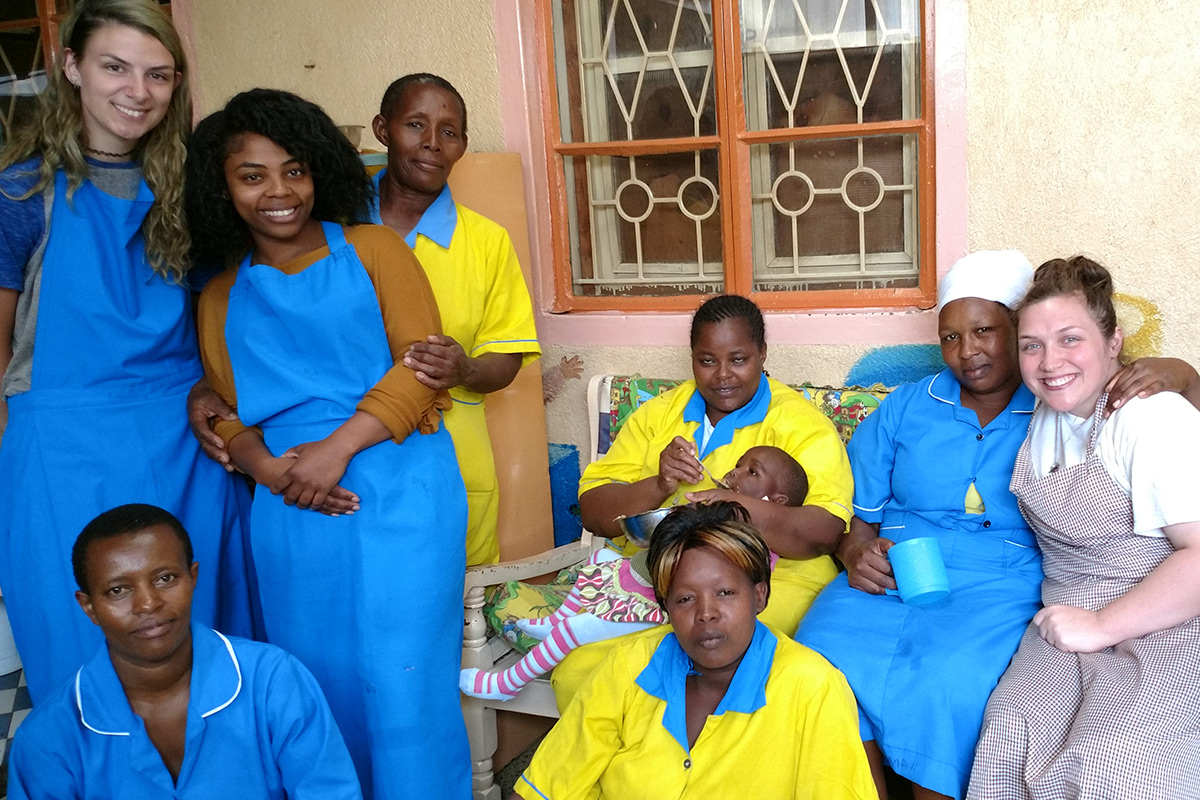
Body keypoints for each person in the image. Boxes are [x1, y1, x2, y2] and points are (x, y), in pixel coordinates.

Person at [795, 251, 1199, 800]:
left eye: (987, 330)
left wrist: (1182, 374)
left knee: (952, 681)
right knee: (817, 656)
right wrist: (852, 550)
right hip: (914, 573)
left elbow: (1160, 423)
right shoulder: (958, 406)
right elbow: (856, 517)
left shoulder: (1060, 402)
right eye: (951, 337)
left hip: (1020, 583)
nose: (969, 351)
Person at [185, 89, 470, 799]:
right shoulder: (219, 297)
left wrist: (333, 450)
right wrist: (268, 470)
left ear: (320, 173)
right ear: (223, 189)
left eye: (294, 170)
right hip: (290, 513)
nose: (279, 191)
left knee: (407, 686)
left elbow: (421, 372)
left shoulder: (376, 249)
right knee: (315, 683)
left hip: (404, 492)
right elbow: (224, 409)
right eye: (252, 176)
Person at [0, 0, 253, 704]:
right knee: (82, 651)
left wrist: (215, 398)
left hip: (185, 446)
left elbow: (222, 319)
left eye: (158, 74)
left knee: (205, 644)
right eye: (115, 67)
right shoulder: (18, 193)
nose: (137, 92)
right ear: (73, 67)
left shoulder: (190, 191)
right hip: (60, 458)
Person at [967, 256, 1200, 799]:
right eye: (1032, 345)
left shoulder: (1150, 417)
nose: (1050, 363)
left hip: (1168, 619)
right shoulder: (1048, 411)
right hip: (1067, 621)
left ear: (1113, 342)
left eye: (1070, 339)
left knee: (1107, 762)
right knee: (1008, 734)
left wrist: (1100, 626)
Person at [555, 293, 852, 705]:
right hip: (661, 580)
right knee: (578, 672)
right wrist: (658, 483)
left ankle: (695, 761)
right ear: (692, 358)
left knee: (686, 656)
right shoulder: (659, 415)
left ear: (763, 354)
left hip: (773, 581)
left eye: (738, 359)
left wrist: (730, 506)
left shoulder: (800, 424)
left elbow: (824, 532)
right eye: (707, 361)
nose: (722, 376)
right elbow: (594, 511)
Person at [512, 501, 878, 800]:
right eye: (685, 599)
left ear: (760, 595)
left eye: (725, 593)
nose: (706, 614)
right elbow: (547, 784)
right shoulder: (629, 665)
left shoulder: (812, 688)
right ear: (665, 608)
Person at [7, 504, 361, 800]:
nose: (148, 603)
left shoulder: (273, 681)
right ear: (88, 607)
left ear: (192, 577)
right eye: (118, 590)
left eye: (165, 579)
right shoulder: (48, 738)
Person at [459, 445, 808, 700]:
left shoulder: (752, 543)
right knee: (598, 561)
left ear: (774, 503)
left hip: (658, 607)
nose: (733, 473)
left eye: (751, 472)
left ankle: (507, 684)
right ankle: (555, 622)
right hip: (643, 582)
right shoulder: (718, 514)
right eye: (737, 465)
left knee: (576, 630)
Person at [370, 72, 540, 567]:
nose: (431, 144)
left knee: (454, 607)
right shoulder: (335, 229)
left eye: (449, 132)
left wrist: (464, 370)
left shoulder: (487, 242)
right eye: (415, 125)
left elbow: (507, 358)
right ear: (383, 130)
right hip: (350, 448)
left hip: (451, 451)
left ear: (463, 145)